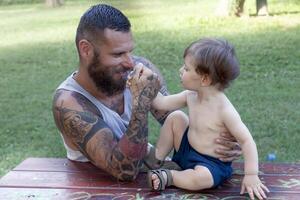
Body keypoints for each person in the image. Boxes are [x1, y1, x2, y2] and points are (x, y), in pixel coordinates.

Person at [52, 4, 241, 182]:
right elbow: (124, 171)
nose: (130, 62)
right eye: (118, 54)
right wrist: (141, 103)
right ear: (86, 50)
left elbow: (170, 118)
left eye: (129, 51)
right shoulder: (68, 103)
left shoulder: (139, 69)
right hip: (97, 185)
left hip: (148, 173)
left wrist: (219, 141)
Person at [141, 38, 269, 200]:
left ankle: (169, 176)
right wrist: (147, 84)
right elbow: (161, 103)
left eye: (187, 69)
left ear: (205, 79)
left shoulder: (224, 110)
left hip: (210, 164)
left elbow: (246, 141)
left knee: (202, 179)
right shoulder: (191, 96)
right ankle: (157, 158)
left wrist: (251, 174)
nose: (181, 70)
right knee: (177, 117)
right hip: (187, 149)